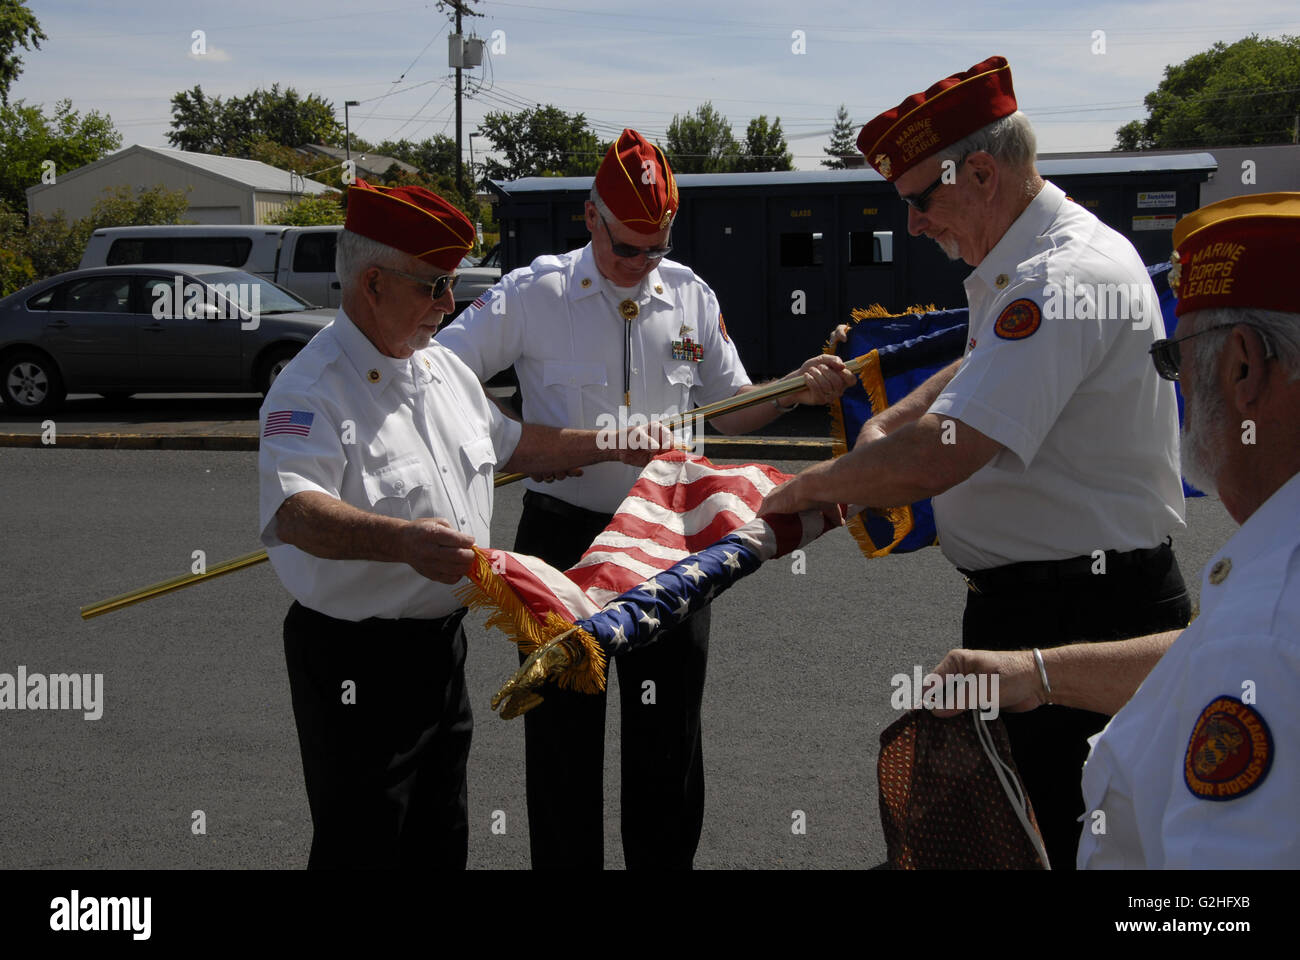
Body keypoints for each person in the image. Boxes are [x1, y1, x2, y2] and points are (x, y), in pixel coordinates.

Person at [758, 56, 1190, 868]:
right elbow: (982, 367)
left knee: (1082, 848)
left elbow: (943, 457)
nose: (916, 225)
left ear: (982, 172)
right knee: (1011, 843)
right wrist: (889, 418)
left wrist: (798, 490)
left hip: (1085, 617)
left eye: (921, 201)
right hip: (1045, 605)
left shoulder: (1060, 278)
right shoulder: (1038, 261)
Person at [438, 128, 855, 869]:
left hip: (669, 539)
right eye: (625, 247)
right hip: (563, 537)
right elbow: (441, 376)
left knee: (669, 738)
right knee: (563, 736)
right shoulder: (536, 292)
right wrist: (534, 444)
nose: (639, 265)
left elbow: (732, 408)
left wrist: (797, 386)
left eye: (654, 249)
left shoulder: (690, 294)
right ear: (590, 216)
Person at [257, 179, 671, 869]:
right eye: (435, 286)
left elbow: (516, 445)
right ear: (373, 284)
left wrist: (610, 443)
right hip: (355, 661)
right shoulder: (309, 388)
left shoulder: (440, 368)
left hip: (439, 651)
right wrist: (403, 542)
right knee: (362, 840)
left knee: (439, 838)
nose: (450, 305)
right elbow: (296, 511)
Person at [933, 192, 1300, 867]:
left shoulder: (1266, 618)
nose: (1177, 386)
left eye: (1176, 359)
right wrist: (1036, 674)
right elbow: (1204, 653)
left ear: (1242, 368)